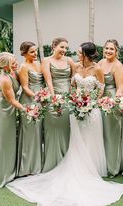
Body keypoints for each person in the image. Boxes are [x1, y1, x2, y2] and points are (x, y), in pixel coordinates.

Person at [6, 42, 123, 206]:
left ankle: (90, 171)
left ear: (87, 54)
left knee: (90, 140)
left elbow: (101, 88)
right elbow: (73, 86)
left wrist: (90, 102)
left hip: (91, 110)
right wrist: (76, 101)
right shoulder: (76, 68)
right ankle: (77, 167)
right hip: (76, 109)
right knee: (77, 140)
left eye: (81, 52)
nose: (77, 54)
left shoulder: (97, 69)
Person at [0, 52, 24, 188]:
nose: (16, 64)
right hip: (2, 109)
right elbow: (12, 100)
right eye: (13, 63)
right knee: (2, 139)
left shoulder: (14, 72)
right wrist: (27, 110)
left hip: (10, 108)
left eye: (15, 61)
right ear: (6, 66)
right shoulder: (5, 79)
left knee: (9, 139)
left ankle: (9, 169)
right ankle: (0, 174)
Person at [42, 37, 75, 172]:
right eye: (62, 47)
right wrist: (54, 98)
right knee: (52, 129)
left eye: (66, 48)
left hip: (68, 99)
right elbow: (48, 81)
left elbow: (74, 79)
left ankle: (65, 161)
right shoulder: (46, 61)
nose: (64, 50)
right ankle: (51, 163)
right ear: (54, 46)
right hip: (53, 97)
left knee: (66, 129)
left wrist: (73, 97)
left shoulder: (70, 61)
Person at [98, 39, 123, 177]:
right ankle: (102, 164)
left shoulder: (118, 66)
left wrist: (113, 102)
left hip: (111, 101)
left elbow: (120, 87)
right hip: (100, 99)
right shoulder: (101, 63)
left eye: (111, 49)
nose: (108, 51)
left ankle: (113, 167)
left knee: (111, 135)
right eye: (107, 48)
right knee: (102, 134)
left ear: (116, 51)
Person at [17, 41, 44, 176]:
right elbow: (25, 87)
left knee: (38, 132)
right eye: (32, 52)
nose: (35, 54)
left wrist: (44, 96)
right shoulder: (23, 67)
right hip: (29, 100)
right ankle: (26, 167)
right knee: (29, 133)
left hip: (40, 99)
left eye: (36, 51)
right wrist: (37, 97)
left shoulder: (39, 63)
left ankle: (37, 165)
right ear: (24, 53)